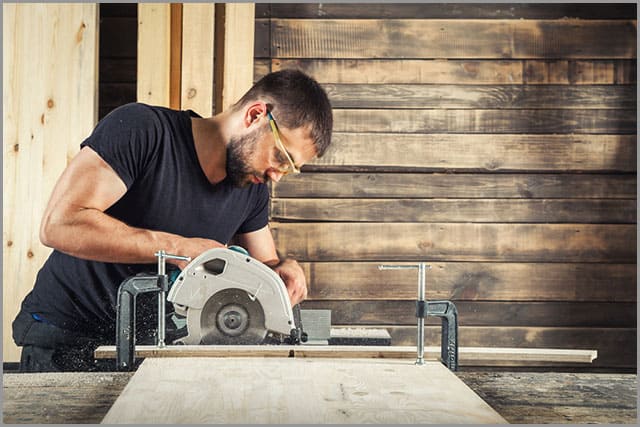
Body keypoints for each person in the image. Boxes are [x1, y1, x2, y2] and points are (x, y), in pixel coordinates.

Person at [12, 69, 333, 372]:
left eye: (290, 168)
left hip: (152, 349)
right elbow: (60, 223)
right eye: (281, 156)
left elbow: (266, 266)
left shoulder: (251, 189)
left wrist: (284, 269)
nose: (277, 175)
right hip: (65, 338)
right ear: (255, 115)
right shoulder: (143, 130)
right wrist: (179, 248)